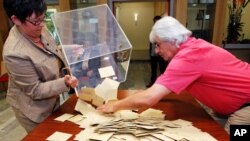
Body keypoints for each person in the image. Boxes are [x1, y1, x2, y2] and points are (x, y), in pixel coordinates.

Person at [97, 16, 250, 134]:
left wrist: (115, 106)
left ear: (172, 40)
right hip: (229, 106)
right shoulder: (192, 47)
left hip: (245, 107)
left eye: (158, 44)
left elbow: (149, 99)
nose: (156, 51)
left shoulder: (187, 58)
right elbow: (160, 89)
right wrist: (147, 93)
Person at [3, 0, 78, 133]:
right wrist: (65, 82)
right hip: (34, 110)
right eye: (36, 21)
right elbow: (35, 90)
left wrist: (69, 49)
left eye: (43, 18)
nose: (42, 25)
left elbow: (49, 52)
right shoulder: (14, 53)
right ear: (16, 19)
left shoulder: (40, 29)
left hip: (52, 99)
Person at [146, 16, 167, 88]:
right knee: (153, 70)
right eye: (155, 22)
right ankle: (152, 83)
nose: (156, 23)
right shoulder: (153, 31)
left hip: (161, 54)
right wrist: (150, 53)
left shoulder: (164, 32)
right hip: (153, 54)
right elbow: (151, 43)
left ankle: (164, 85)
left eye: (157, 21)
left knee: (163, 70)